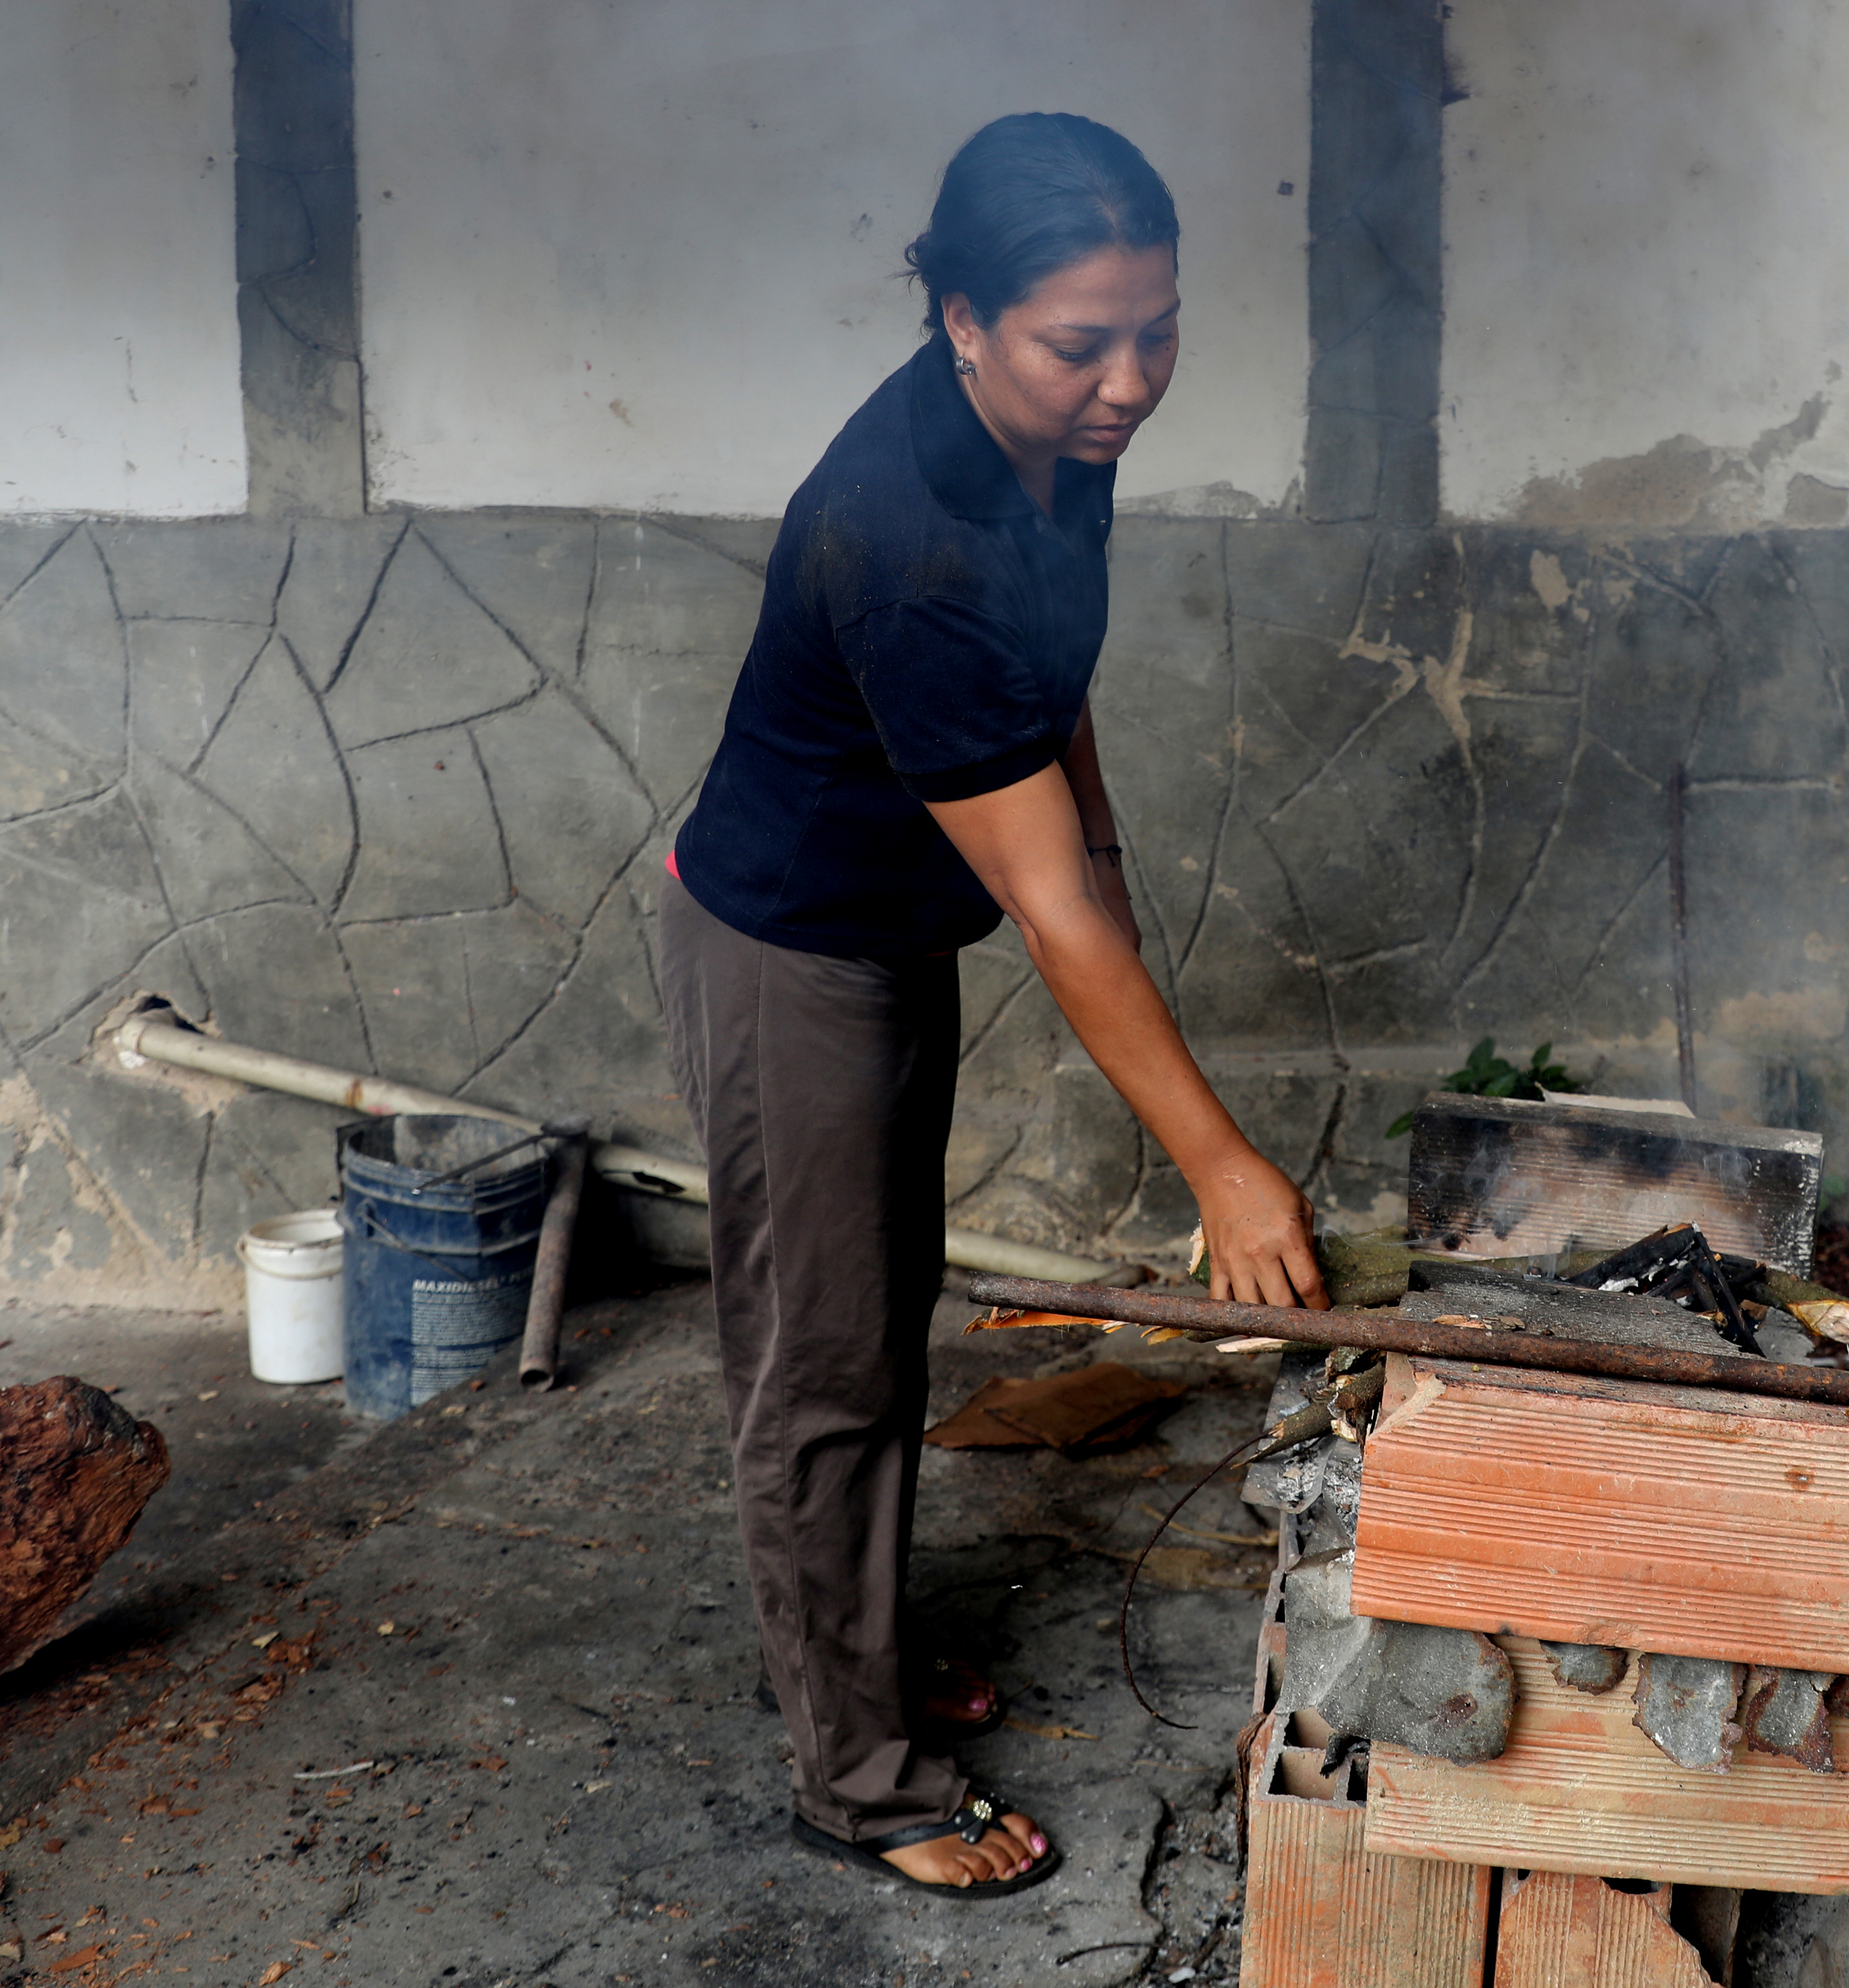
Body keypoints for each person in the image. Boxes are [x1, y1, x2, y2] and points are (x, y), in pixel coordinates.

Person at [654, 112, 1326, 1899]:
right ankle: (861, 1778)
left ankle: (850, 1661)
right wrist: (1225, 1170)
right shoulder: (907, 529)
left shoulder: (1051, 441)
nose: (1129, 384)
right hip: (796, 949)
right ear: (960, 317)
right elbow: (1051, 912)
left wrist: (1095, 814)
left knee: (877, 1322)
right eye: (1080, 345)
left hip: (892, 926)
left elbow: (1053, 684)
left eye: (1158, 330)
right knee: (825, 1367)